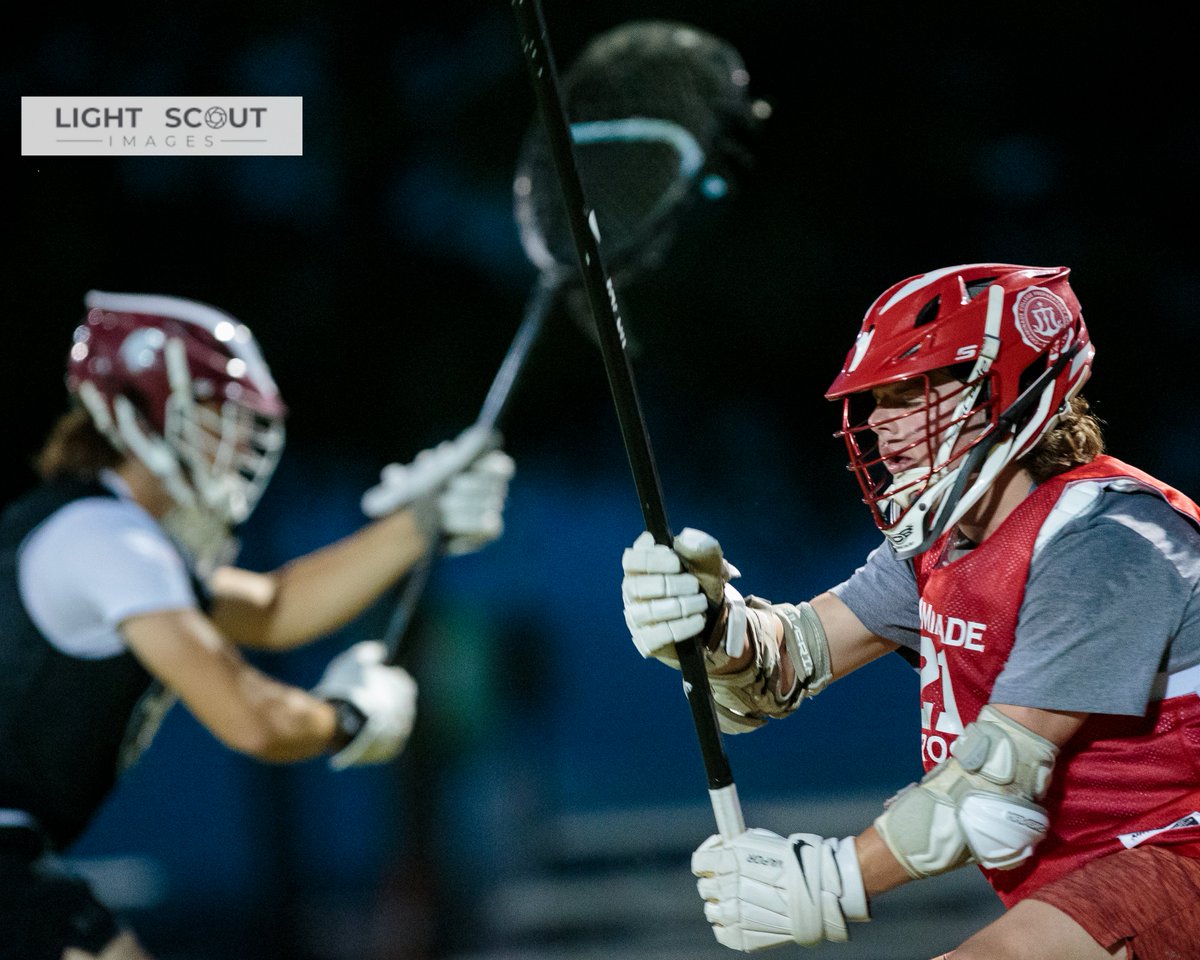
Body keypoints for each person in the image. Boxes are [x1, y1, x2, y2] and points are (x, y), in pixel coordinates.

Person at [620, 263, 1200, 960]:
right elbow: (788, 659)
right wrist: (716, 629)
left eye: (906, 393)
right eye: (872, 399)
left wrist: (826, 882)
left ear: (1002, 391)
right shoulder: (945, 541)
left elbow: (990, 794)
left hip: (1176, 852)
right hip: (1095, 876)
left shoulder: (1109, 545)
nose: (876, 425)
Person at [0, 290, 515, 960]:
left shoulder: (100, 534)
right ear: (136, 411)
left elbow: (273, 607)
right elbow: (251, 717)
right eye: (218, 416)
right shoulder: (111, 540)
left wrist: (418, 525)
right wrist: (346, 718)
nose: (241, 440)